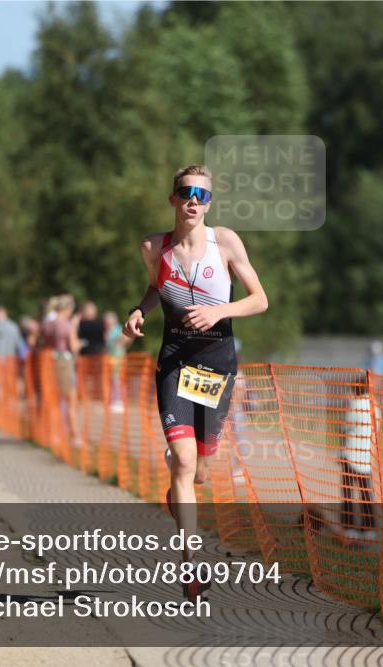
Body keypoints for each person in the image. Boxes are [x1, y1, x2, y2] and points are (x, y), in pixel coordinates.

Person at [123, 164, 268, 602]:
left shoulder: (225, 242)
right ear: (173, 199)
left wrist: (218, 311)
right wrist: (139, 311)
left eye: (201, 195)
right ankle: (190, 565)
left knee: (201, 469)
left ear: (209, 204)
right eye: (186, 192)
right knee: (184, 462)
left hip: (216, 365)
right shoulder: (154, 247)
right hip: (175, 361)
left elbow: (260, 300)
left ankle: (180, 489)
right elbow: (156, 287)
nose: (193, 201)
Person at [341, 373, 379, 543]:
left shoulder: (356, 405)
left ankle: (349, 527)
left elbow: (345, 427)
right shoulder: (375, 406)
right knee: (365, 493)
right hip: (366, 457)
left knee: (348, 493)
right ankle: (369, 528)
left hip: (351, 455)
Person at [42, 294, 81, 447]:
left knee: (55, 400)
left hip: (50, 361)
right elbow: (73, 346)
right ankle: (74, 436)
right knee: (70, 400)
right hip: (64, 362)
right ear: (67, 309)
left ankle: (55, 434)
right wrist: (75, 328)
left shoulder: (48, 324)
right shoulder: (66, 324)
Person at [103, 311, 130, 412]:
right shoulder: (107, 330)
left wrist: (117, 344)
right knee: (112, 379)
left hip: (118, 357)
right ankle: (113, 400)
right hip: (110, 357)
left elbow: (126, 339)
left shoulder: (118, 329)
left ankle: (119, 401)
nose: (107, 322)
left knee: (117, 379)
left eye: (108, 320)